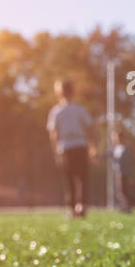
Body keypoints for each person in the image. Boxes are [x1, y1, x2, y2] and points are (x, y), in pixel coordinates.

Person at [46, 78, 93, 218]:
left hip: (67, 148)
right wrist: (92, 147)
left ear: (59, 92)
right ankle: (80, 207)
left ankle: (74, 209)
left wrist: (56, 152)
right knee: (80, 179)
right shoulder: (79, 109)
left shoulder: (56, 111)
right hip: (78, 147)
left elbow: (53, 134)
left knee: (71, 180)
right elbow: (89, 129)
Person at [111, 129, 135, 212]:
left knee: (122, 192)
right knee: (124, 192)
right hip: (118, 173)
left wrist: (130, 174)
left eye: (116, 137)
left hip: (124, 173)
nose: (114, 139)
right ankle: (131, 207)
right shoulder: (116, 148)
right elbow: (108, 154)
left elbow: (129, 162)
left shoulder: (125, 148)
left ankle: (130, 207)